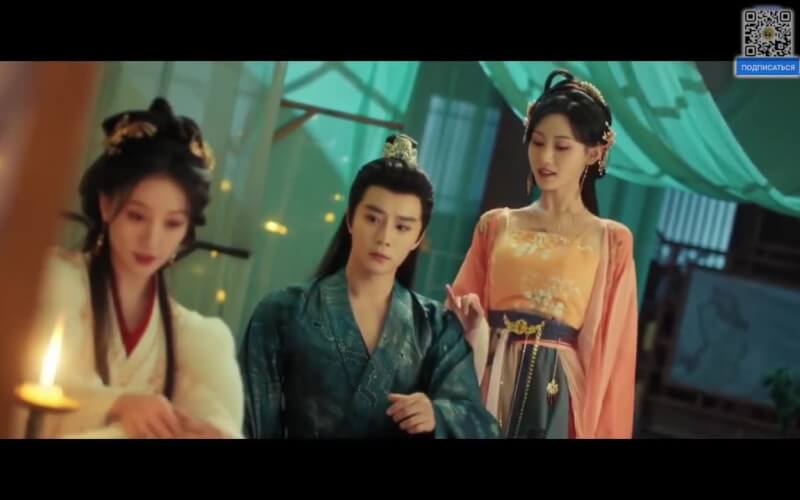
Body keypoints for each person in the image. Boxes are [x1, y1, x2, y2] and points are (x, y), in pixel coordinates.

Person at [239, 134, 500, 438]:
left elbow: (480, 425)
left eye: (402, 227)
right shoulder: (283, 312)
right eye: (373, 219)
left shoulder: (437, 329)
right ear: (350, 219)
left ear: (417, 238)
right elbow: (250, 421)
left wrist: (438, 415)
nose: (384, 237)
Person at [22, 98, 243, 438]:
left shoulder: (197, 338)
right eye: (137, 216)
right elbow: (22, 387)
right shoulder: (53, 282)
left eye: (172, 223)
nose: (152, 240)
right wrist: (117, 403)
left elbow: (216, 425)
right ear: (106, 204)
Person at [447, 69, 638, 438]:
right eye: (537, 142)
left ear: (594, 152)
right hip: (488, 372)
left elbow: (614, 354)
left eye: (562, 147)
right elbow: (457, 314)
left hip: (557, 387)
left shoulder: (611, 240)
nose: (545, 157)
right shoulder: (495, 225)